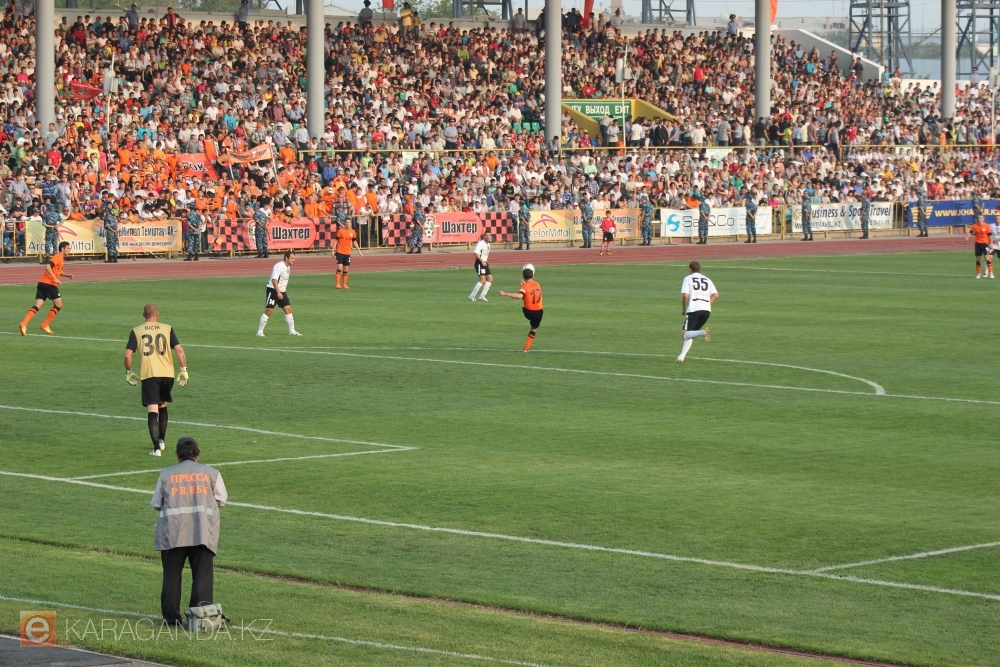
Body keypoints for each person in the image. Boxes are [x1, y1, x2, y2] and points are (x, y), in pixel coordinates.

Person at [151, 437, 228, 627]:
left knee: (171, 575)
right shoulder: (211, 473)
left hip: (173, 532)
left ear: (177, 455)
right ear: (197, 455)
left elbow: (156, 503)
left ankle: (171, 619)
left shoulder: (166, 474)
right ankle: (200, 619)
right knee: (202, 576)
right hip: (203, 532)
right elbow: (222, 499)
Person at [124, 303, 189, 456]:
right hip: (168, 375)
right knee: (163, 405)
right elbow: (179, 350)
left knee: (152, 409)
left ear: (143, 315)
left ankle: (156, 449)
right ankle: (161, 441)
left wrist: (129, 372)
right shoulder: (167, 328)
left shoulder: (136, 331)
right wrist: (184, 370)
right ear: (157, 315)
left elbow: (127, 355)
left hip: (150, 374)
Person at [19, 241, 74, 336]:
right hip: (50, 284)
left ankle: (24, 323)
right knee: (59, 305)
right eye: (68, 248)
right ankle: (45, 325)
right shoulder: (58, 257)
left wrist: (67, 275)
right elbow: (47, 266)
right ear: (62, 249)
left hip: (42, 283)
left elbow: (58, 271)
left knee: (38, 306)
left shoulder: (60, 258)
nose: (69, 250)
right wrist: (55, 278)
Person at [676, 261, 719, 363]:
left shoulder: (688, 278)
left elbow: (685, 296)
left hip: (694, 309)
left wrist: (683, 308)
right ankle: (681, 356)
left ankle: (702, 332)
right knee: (691, 333)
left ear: (690, 269)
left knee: (685, 334)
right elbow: (716, 295)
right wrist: (707, 304)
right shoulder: (707, 279)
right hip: (706, 311)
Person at [499, 263, 543, 352]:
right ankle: (526, 348)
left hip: (528, 312)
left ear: (523, 276)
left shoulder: (524, 286)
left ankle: (526, 348)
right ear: (533, 275)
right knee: (533, 328)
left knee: (526, 305)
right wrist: (523, 286)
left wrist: (505, 293)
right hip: (539, 312)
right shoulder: (537, 284)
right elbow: (530, 293)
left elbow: (520, 296)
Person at [258, 251, 302, 334]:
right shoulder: (279, 266)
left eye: (294, 258)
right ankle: (259, 332)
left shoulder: (288, 267)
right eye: (292, 258)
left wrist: (281, 291)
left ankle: (292, 331)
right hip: (273, 290)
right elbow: (274, 280)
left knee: (288, 310)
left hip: (282, 291)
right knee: (269, 310)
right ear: (286, 258)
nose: (294, 260)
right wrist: (278, 292)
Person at [334, 219, 362, 289]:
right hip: (340, 251)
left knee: (346, 269)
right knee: (339, 267)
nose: (348, 223)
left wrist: (359, 251)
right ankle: (337, 284)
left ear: (351, 223)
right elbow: (336, 241)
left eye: (349, 222)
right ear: (345, 223)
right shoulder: (340, 231)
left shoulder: (352, 232)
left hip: (347, 252)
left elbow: (354, 242)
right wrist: (333, 250)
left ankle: (344, 284)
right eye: (347, 222)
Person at [469, 232, 493, 301]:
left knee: (490, 279)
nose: (488, 236)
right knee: (482, 280)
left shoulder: (488, 244)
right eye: (486, 235)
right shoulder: (480, 243)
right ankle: (472, 295)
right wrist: (482, 261)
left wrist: (485, 261)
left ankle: (482, 295)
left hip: (485, 263)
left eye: (489, 235)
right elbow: (476, 253)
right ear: (484, 236)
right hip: (479, 263)